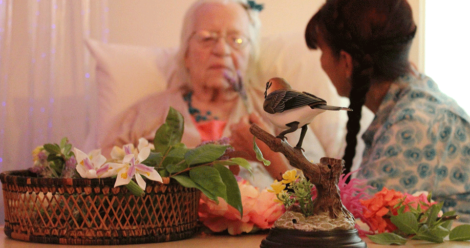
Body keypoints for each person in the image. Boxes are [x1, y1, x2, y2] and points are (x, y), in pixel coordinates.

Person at [101, 0, 327, 189]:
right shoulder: (145, 114)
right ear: (186, 54)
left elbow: (322, 192)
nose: (221, 50)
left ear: (250, 55)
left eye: (236, 40)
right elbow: (100, 180)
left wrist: (268, 153)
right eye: (207, 37)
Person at [305, 0, 470, 221]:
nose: (322, 62)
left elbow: (348, 223)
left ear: (346, 62)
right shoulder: (413, 103)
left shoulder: (415, 124)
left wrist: (272, 155)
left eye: (322, 52)